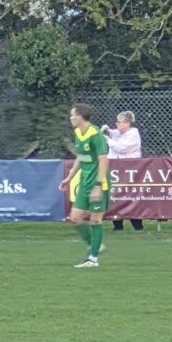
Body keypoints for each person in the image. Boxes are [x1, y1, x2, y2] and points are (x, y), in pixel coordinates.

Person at [59, 103, 111, 268]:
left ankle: (93, 259)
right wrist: (69, 178)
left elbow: (103, 160)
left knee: (95, 220)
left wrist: (98, 185)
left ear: (81, 117)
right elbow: (80, 158)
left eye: (73, 115)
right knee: (75, 218)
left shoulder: (95, 135)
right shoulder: (77, 133)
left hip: (98, 182)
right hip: (84, 182)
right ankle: (94, 245)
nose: (71, 118)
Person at [101, 111, 144, 231]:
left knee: (130, 197)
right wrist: (107, 131)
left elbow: (121, 148)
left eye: (119, 122)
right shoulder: (119, 132)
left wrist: (106, 138)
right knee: (115, 196)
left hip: (129, 171)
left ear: (127, 124)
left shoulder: (132, 135)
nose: (117, 124)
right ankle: (118, 226)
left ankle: (138, 227)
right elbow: (112, 133)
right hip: (115, 170)